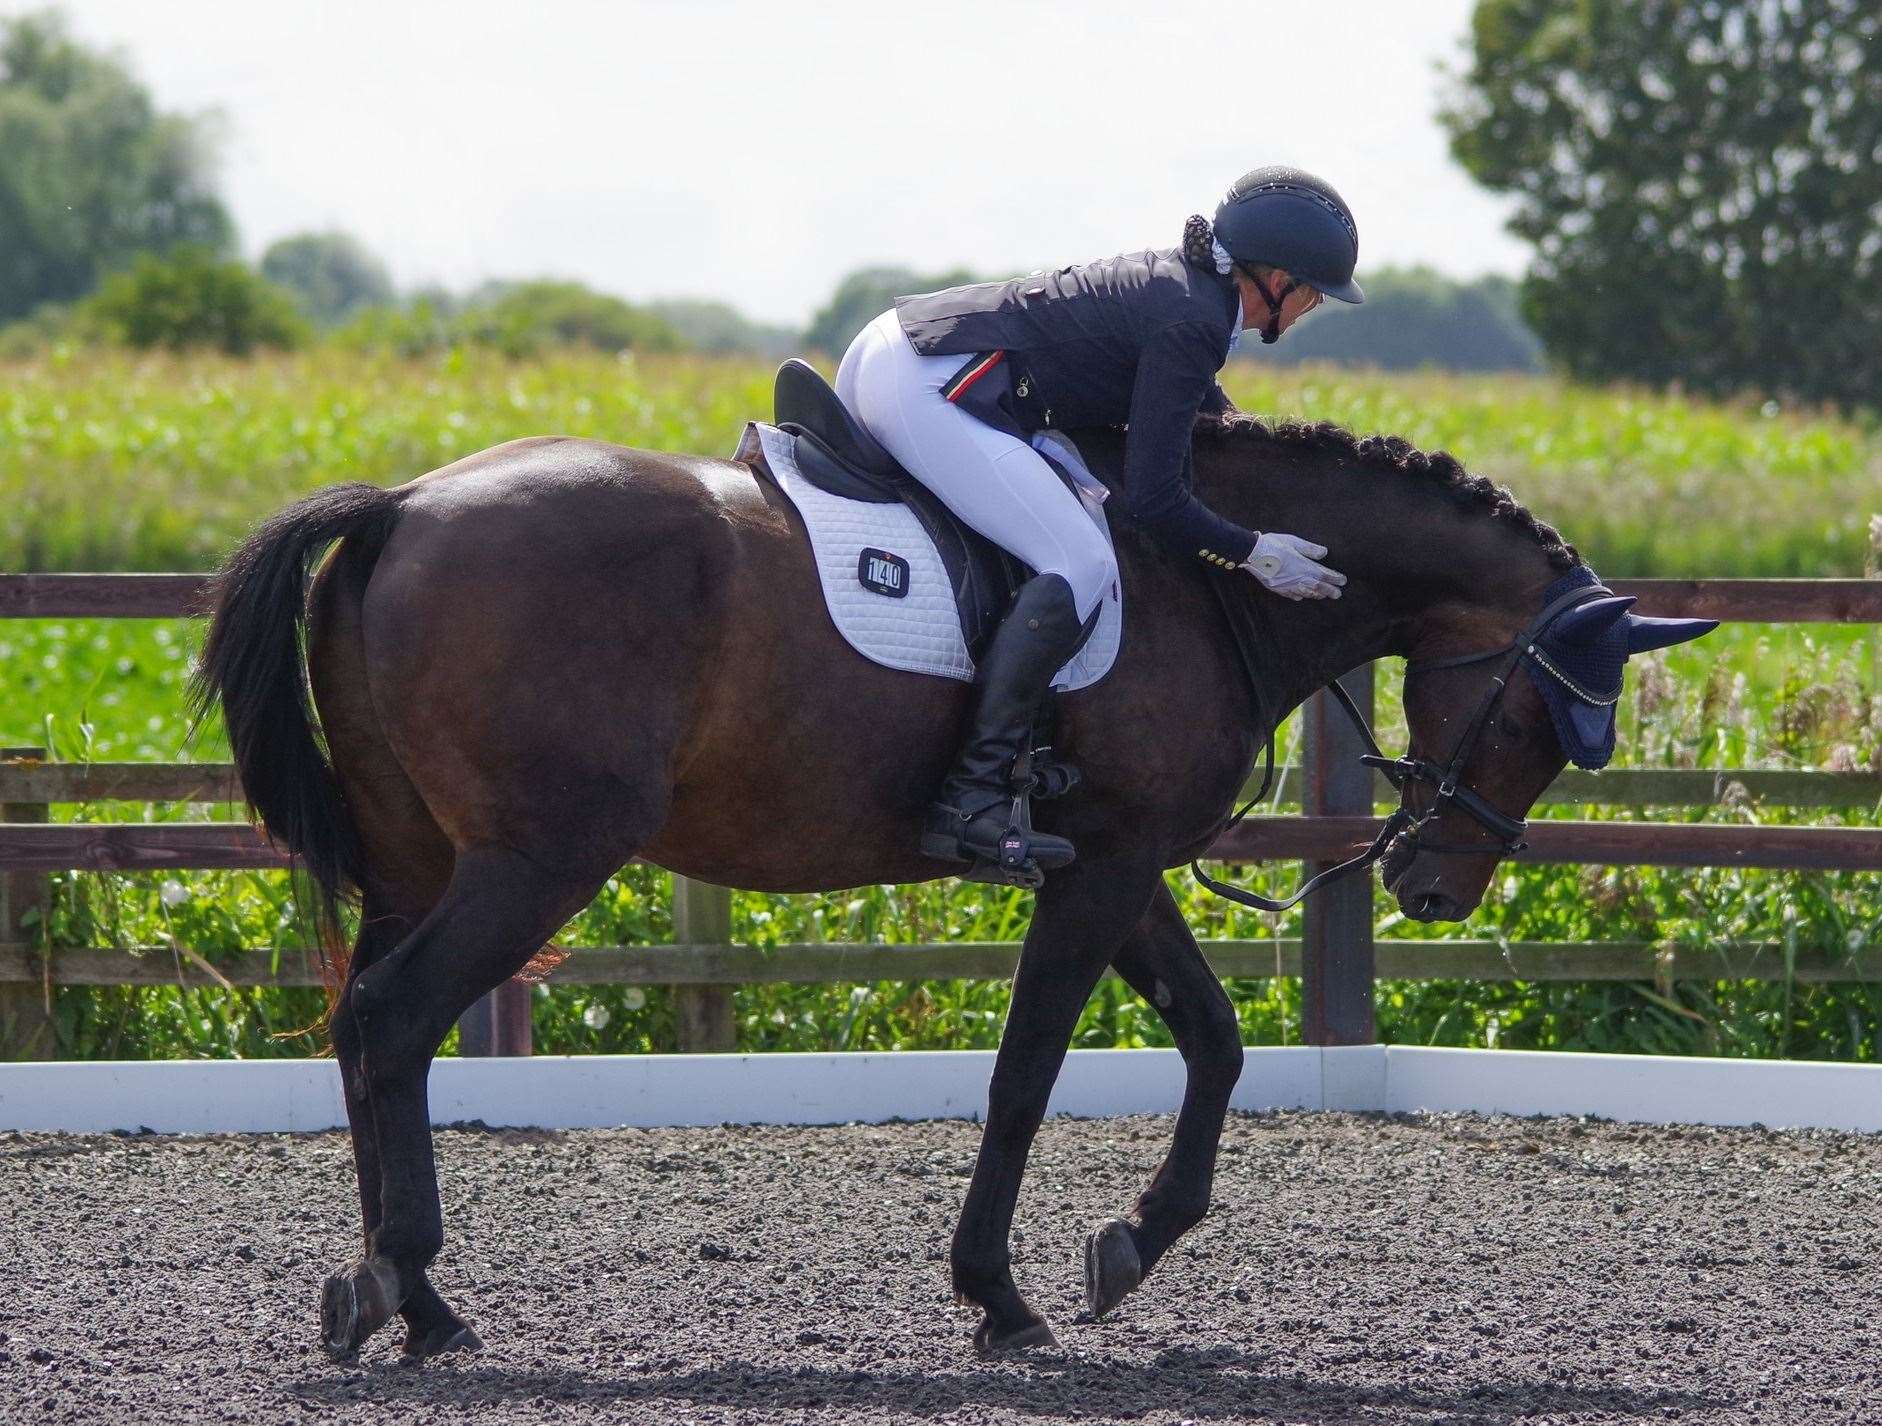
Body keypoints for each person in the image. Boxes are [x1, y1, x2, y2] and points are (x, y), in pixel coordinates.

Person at [835, 165, 1365, 882]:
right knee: (1079, 564)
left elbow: (1214, 423)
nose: (1308, 312)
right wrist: (1253, 553)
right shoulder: (1195, 318)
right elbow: (1154, 496)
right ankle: (973, 798)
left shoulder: (1188, 293)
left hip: (899, 351)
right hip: (928, 385)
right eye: (1313, 297)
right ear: (1279, 281)